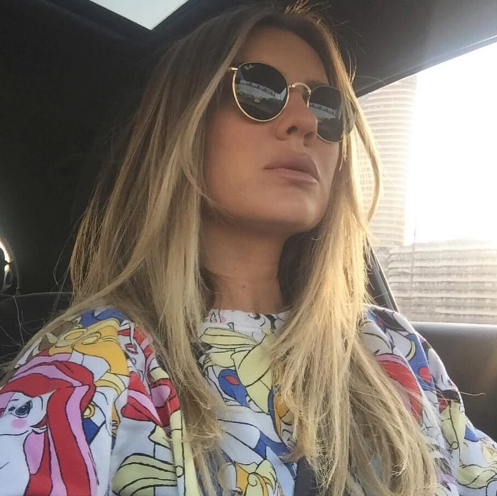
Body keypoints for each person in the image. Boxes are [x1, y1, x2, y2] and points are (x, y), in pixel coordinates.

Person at [0, 2, 496, 495]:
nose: (305, 121)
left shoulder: (395, 346)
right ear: (184, 126)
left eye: (326, 107)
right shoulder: (91, 365)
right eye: (260, 89)